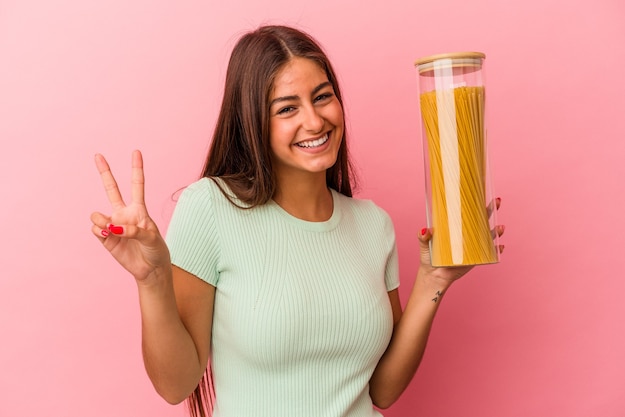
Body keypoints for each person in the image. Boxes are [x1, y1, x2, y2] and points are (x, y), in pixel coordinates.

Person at [90, 25, 504, 417]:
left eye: (322, 97)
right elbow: (176, 385)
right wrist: (152, 281)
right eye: (287, 108)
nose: (315, 120)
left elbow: (382, 390)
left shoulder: (372, 224)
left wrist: (434, 279)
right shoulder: (211, 208)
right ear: (254, 123)